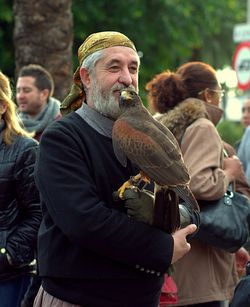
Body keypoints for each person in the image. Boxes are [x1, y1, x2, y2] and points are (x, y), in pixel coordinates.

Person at [33, 31, 197, 307]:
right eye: (114, 67)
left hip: (143, 298)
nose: (126, 77)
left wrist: (174, 215)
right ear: (86, 77)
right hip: (79, 299)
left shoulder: (154, 132)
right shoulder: (61, 138)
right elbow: (84, 221)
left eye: (133, 68)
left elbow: (188, 200)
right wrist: (163, 247)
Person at [146, 61, 243, 307]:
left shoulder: (164, 125)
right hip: (201, 259)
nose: (220, 100)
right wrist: (229, 173)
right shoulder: (202, 126)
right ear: (207, 95)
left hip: (174, 248)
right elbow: (199, 183)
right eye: (219, 93)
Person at [0, 71, 41, 307]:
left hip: (9, 276)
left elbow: (39, 213)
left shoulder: (25, 150)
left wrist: (9, 254)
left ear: (3, 106)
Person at [16, 64, 61, 141]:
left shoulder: (62, 126)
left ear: (44, 94)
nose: (20, 96)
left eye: (26, 90)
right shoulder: (13, 127)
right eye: (18, 91)